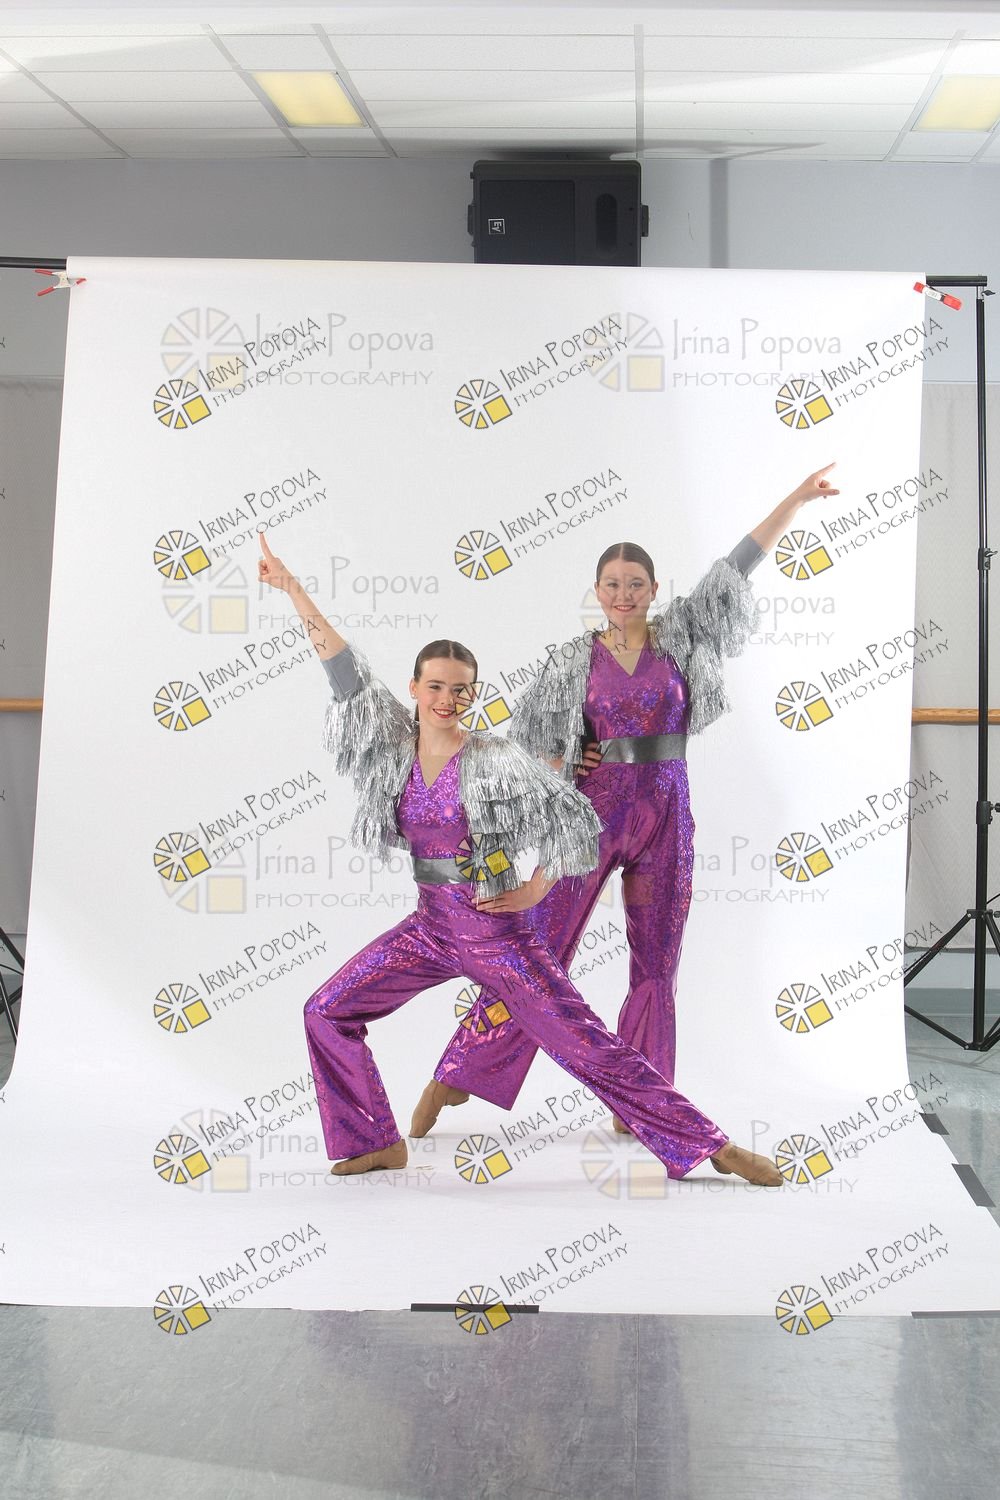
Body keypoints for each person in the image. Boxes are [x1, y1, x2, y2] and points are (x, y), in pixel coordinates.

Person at [257, 532, 783, 1186]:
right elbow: (341, 667)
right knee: (325, 1010)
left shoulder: (495, 757)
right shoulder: (392, 745)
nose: (446, 700)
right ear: (413, 688)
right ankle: (373, 1140)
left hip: (497, 935)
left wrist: (536, 889)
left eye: (460, 691)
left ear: (473, 696)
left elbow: (569, 818)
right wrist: (292, 589)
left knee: (587, 1046)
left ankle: (710, 1145)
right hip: (429, 928)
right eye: (435, 687)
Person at [415, 465, 839, 1138]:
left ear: (654, 590)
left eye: (635, 583)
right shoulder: (572, 660)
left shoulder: (682, 636)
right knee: (540, 949)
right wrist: (566, 759)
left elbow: (737, 566)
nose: (623, 594)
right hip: (593, 816)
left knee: (658, 959)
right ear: (597, 592)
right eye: (611, 584)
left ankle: (642, 1100)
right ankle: (460, 1071)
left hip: (668, 812)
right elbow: (528, 747)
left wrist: (796, 499)